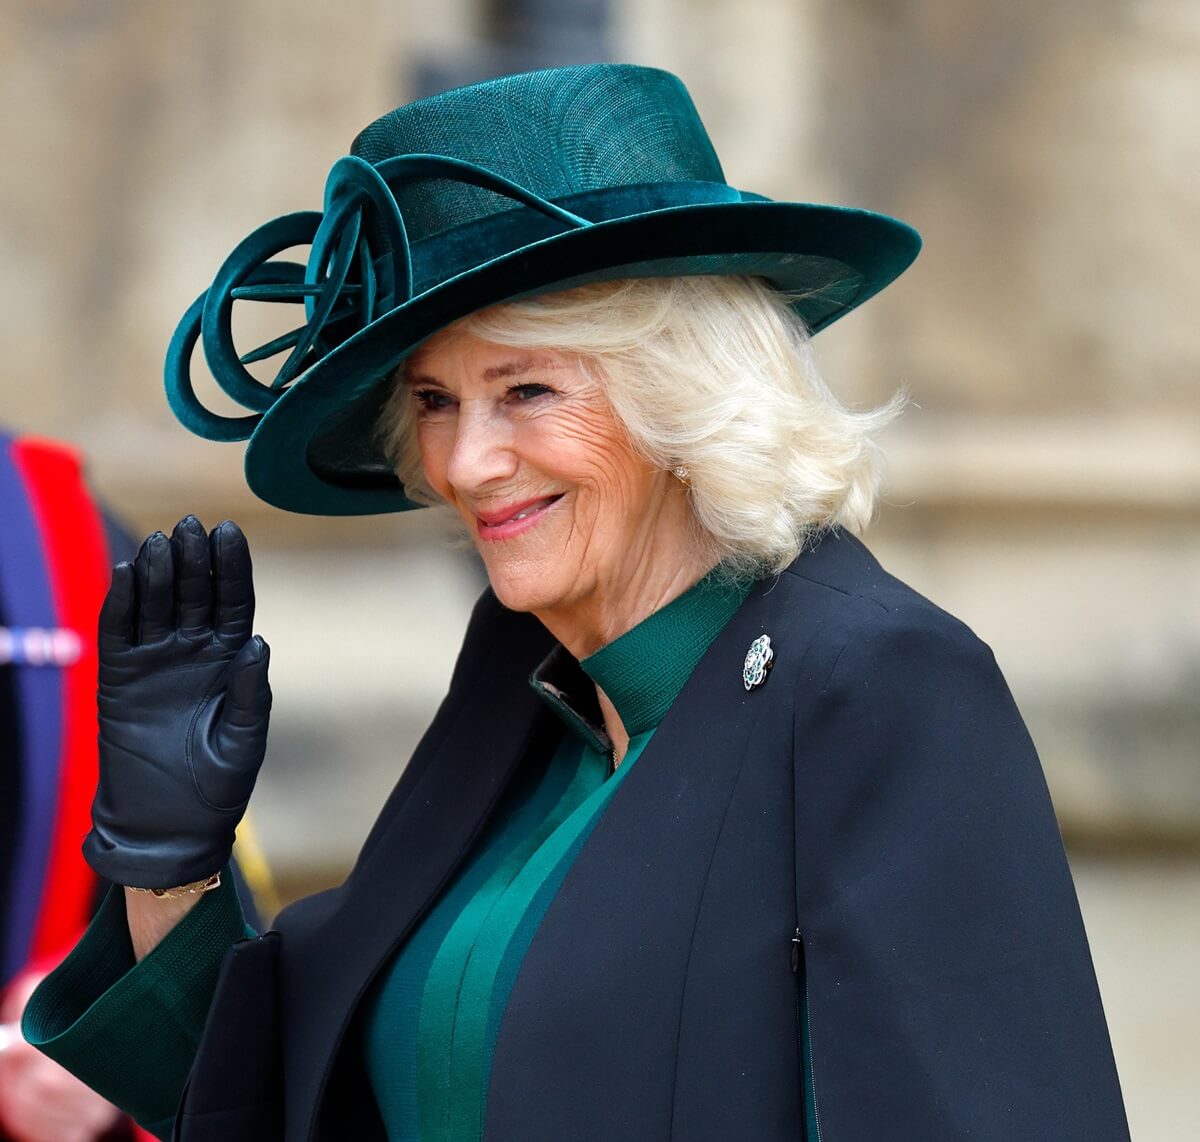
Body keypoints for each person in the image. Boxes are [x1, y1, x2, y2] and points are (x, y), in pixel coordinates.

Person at [23, 64, 1128, 1140]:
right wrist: (166, 860)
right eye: (435, 400)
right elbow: (274, 1099)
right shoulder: (522, 691)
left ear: (683, 391)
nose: (469, 460)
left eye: (528, 389)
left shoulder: (876, 681)